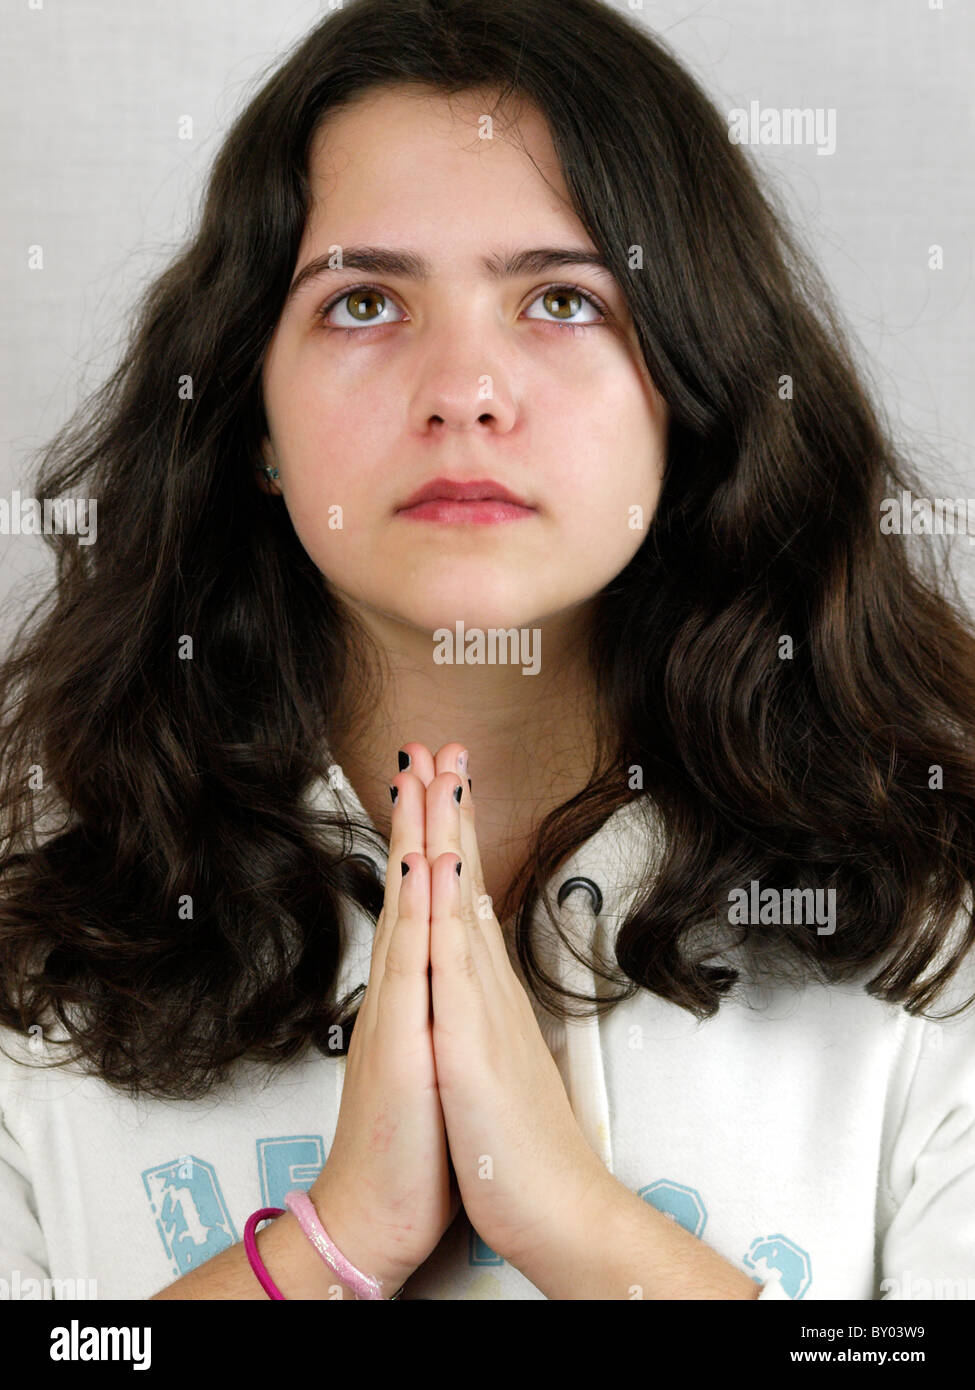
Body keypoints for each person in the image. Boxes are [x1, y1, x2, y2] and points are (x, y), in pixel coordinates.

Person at [1, 0, 973, 1302]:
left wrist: (580, 1227)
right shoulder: (36, 951)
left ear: (692, 390)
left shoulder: (938, 932)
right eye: (362, 303)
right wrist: (334, 1243)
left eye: (562, 299)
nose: (465, 388)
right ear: (253, 419)